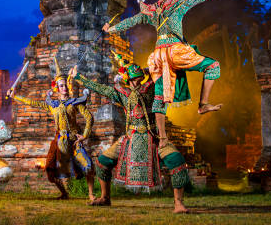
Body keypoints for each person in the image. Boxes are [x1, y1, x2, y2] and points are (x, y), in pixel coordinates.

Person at [103, 0, 226, 149]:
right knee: (213, 66)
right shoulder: (179, 4)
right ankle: (203, 104)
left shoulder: (151, 11)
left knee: (160, 98)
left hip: (159, 56)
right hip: (177, 52)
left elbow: (131, 21)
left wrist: (110, 29)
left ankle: (162, 138)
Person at [71, 61, 190, 213]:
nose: (137, 82)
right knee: (102, 162)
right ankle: (105, 198)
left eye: (139, 78)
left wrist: (155, 68)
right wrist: (78, 77)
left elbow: (168, 76)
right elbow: (100, 88)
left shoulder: (152, 88)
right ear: (128, 80)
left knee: (176, 160)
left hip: (154, 136)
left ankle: (179, 203)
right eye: (134, 79)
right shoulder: (122, 93)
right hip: (130, 138)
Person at [7, 58, 95, 200]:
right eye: (61, 86)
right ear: (56, 88)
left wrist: (84, 135)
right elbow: (32, 102)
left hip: (74, 140)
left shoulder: (75, 102)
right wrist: (15, 96)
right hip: (59, 139)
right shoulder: (52, 104)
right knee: (50, 167)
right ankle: (64, 193)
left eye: (66, 85)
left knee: (88, 165)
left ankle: (91, 195)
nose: (64, 88)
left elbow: (89, 117)